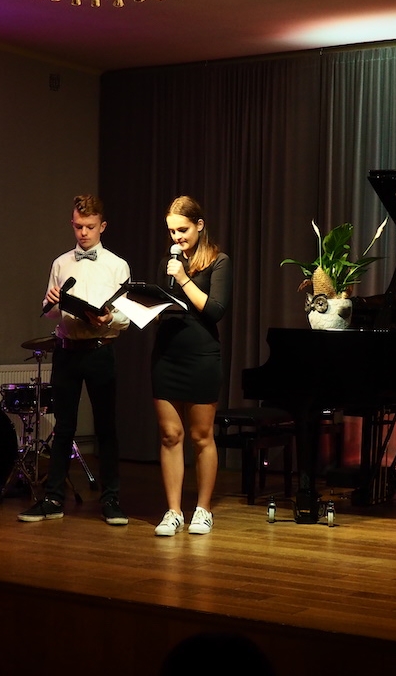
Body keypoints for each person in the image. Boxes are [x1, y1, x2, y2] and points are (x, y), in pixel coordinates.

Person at [18, 194, 131, 526]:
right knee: (63, 427)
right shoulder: (61, 263)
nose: (83, 233)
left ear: (102, 226)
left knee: (106, 427)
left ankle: (111, 499)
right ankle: (53, 498)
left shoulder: (117, 265)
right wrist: (52, 301)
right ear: (72, 224)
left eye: (90, 227)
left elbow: (126, 317)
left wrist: (108, 318)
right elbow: (51, 313)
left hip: (100, 349)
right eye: (78, 226)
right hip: (67, 351)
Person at [152, 196, 231, 536]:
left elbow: (214, 310)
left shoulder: (218, 261)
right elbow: (162, 305)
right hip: (167, 355)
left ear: (199, 225)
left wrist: (183, 278)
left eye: (182, 230)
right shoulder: (167, 263)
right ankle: (173, 511)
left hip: (201, 357)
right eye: (172, 231)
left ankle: (203, 509)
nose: (177, 237)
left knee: (200, 436)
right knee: (170, 435)